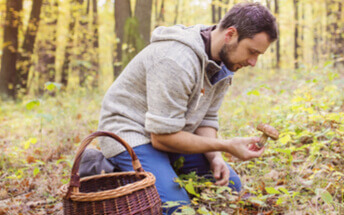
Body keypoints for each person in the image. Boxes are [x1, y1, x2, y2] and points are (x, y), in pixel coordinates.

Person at [97, 2, 278, 214]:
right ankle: (117, 176)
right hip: (130, 134)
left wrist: (216, 157)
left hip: (170, 133)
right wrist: (227, 145)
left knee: (231, 187)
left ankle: (161, 171)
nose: (253, 62)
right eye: (251, 52)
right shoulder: (176, 60)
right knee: (179, 209)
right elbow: (161, 138)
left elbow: (207, 117)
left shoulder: (225, 63)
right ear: (230, 34)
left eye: (258, 55)